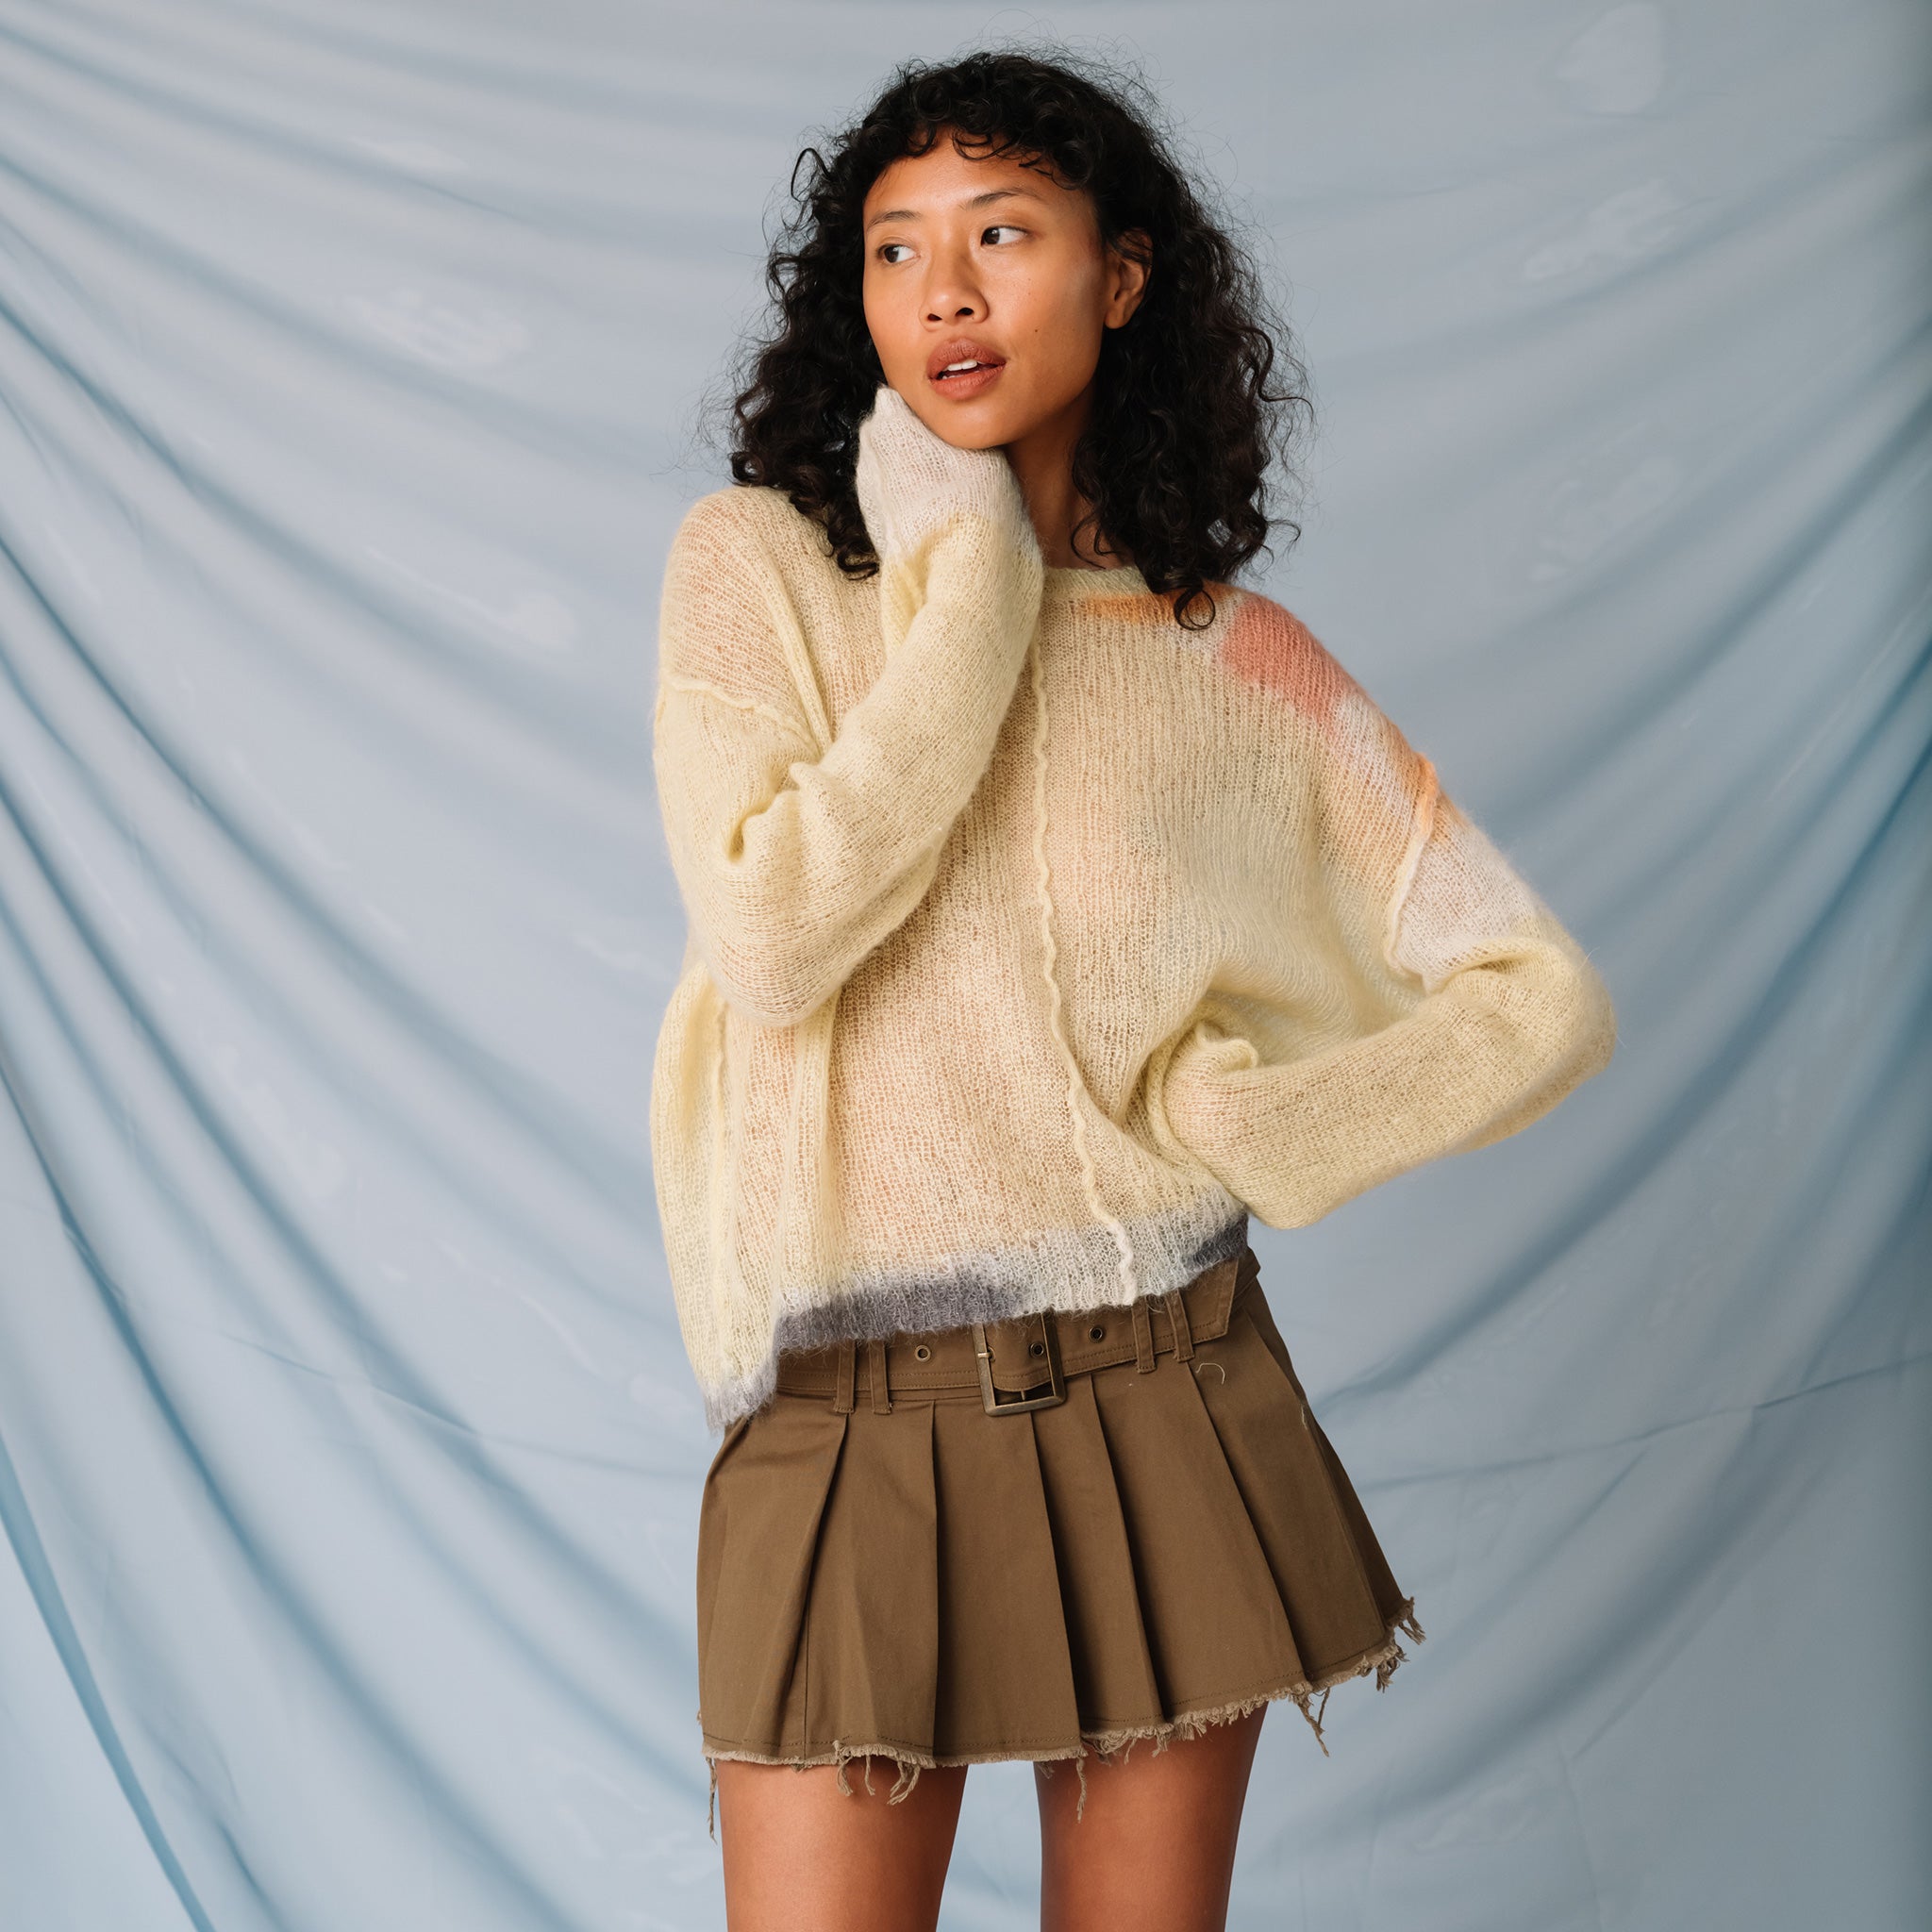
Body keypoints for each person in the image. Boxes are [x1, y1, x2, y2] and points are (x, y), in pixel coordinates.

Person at [650, 45, 1617, 1932]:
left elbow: (1533, 991)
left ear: (1123, 274)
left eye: (1001, 233)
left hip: (1160, 1387)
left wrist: (1274, 1120)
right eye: (894, 246)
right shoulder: (755, 572)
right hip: (844, 1412)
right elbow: (770, 936)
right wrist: (976, 590)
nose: (941, 290)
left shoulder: (1229, 661)